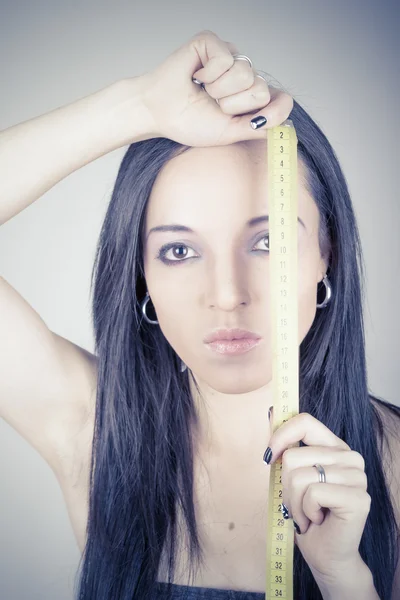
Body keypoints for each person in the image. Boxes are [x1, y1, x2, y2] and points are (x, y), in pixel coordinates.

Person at [0, 29, 399, 600]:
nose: (227, 294)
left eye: (267, 241)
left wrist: (345, 581)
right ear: (143, 277)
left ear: (325, 253)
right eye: (179, 251)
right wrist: (137, 106)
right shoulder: (90, 428)